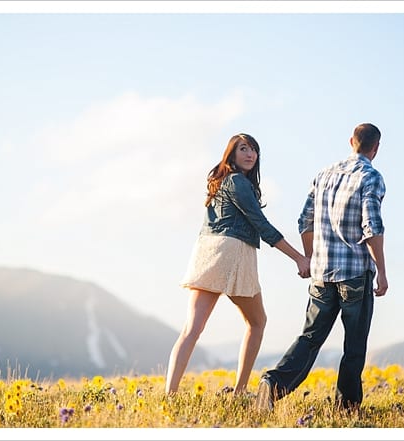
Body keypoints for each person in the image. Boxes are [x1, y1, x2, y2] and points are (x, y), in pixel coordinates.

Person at [164, 133, 311, 397]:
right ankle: (240, 391)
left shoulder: (220, 183)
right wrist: (299, 258)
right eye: (243, 149)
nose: (250, 154)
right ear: (231, 154)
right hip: (234, 253)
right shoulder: (238, 182)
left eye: (254, 150)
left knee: (192, 329)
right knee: (257, 322)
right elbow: (262, 226)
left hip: (206, 251)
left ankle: (169, 395)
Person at [256, 122, 388, 412]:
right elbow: (372, 227)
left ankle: (273, 384)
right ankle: (346, 407)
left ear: (351, 140)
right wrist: (383, 272)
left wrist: (311, 258)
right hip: (355, 274)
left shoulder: (324, 175)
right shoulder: (371, 177)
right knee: (354, 345)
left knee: (310, 337)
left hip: (322, 274)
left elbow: (304, 220)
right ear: (375, 148)